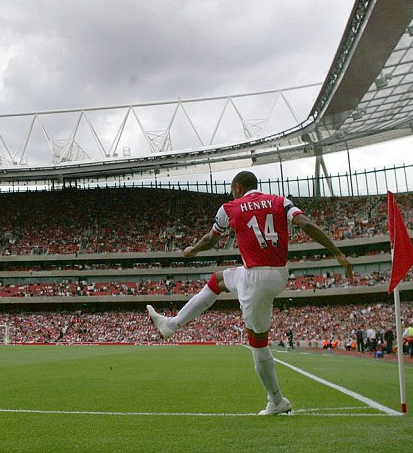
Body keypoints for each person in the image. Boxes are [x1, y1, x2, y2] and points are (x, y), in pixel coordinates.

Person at [147, 170, 353, 415]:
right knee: (219, 280)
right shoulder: (280, 201)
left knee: (258, 344)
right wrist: (337, 252)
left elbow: (211, 239)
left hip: (256, 277)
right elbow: (306, 224)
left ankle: (276, 401)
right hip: (279, 274)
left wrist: (193, 250)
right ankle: (172, 325)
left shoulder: (231, 207)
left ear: (237, 186)